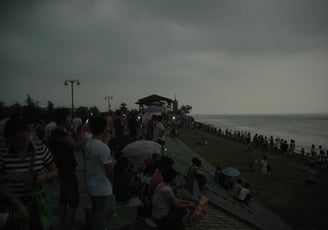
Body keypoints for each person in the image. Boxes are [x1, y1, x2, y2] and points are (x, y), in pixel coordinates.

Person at [0, 118, 58, 229]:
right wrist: (11, 177)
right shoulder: (3, 152)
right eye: (15, 139)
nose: (20, 143)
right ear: (8, 138)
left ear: (29, 133)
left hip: (36, 202)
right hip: (11, 204)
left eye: (23, 138)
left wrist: (44, 176)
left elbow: (54, 171)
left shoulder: (40, 148)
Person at [48, 108, 86, 230]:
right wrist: (83, 131)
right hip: (67, 169)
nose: (71, 119)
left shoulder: (58, 132)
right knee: (74, 200)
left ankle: (63, 225)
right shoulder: (60, 133)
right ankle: (68, 226)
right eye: (69, 117)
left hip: (61, 168)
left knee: (64, 198)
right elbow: (77, 146)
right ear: (64, 119)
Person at [84, 116, 114, 230]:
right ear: (104, 128)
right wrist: (112, 182)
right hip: (102, 187)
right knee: (100, 216)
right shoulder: (103, 148)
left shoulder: (88, 143)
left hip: (91, 185)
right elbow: (109, 169)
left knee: (95, 213)